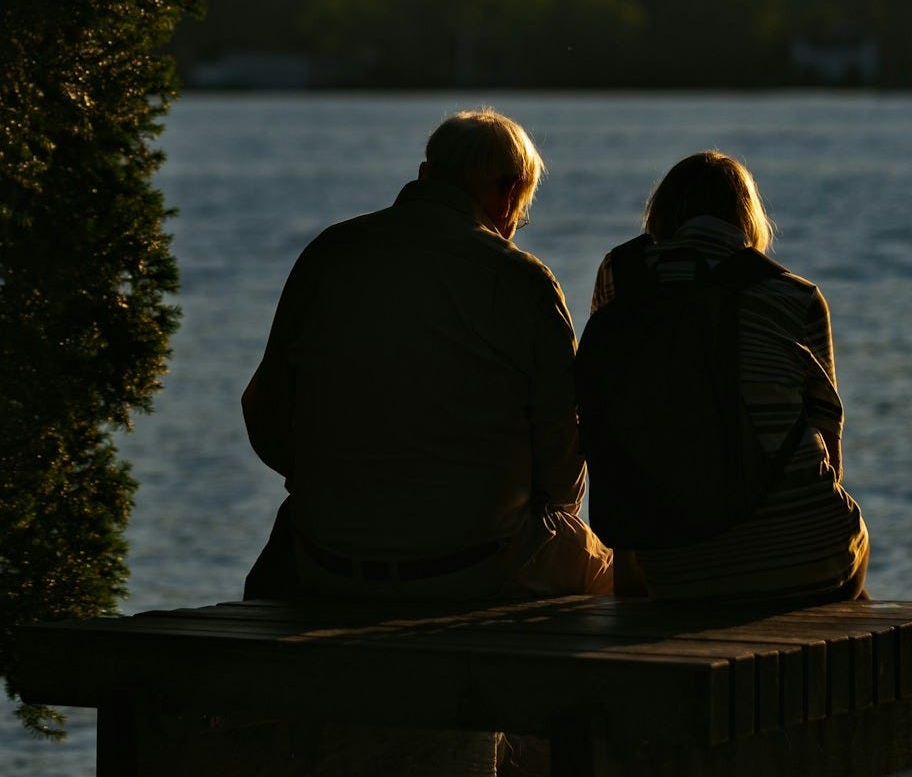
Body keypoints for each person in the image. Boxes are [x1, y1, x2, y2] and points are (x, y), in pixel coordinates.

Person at [242, 108, 612, 603]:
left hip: (326, 562)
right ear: (508, 194)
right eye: (520, 210)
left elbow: (264, 413)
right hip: (475, 569)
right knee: (616, 573)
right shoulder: (523, 280)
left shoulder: (330, 253)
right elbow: (562, 465)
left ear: (424, 174)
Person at [583, 151, 868, 604]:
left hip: (675, 567)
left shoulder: (621, 277)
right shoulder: (796, 295)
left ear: (663, 213)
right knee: (851, 558)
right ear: (747, 218)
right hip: (812, 557)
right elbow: (830, 450)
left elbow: (611, 418)